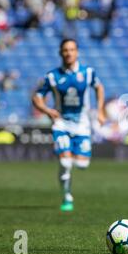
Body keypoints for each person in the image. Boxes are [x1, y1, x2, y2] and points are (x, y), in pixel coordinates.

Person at [32, 39, 106, 212]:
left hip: (82, 124)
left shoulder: (88, 73)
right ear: (60, 53)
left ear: (77, 52)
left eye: (72, 49)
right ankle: (67, 197)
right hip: (61, 123)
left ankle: (67, 153)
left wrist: (100, 110)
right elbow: (36, 97)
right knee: (65, 163)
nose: (69, 53)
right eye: (65, 50)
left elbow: (99, 88)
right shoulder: (52, 76)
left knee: (82, 165)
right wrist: (47, 111)